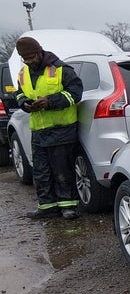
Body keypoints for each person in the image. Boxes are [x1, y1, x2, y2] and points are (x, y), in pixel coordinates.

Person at [14, 36, 83, 220]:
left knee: (62, 170)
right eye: (25, 58)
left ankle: (68, 207)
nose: (29, 61)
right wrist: (25, 104)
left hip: (61, 128)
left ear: (39, 52)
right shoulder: (23, 73)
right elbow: (19, 93)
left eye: (31, 57)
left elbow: (75, 93)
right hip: (38, 129)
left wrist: (49, 102)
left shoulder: (61, 69)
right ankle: (47, 206)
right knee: (41, 171)